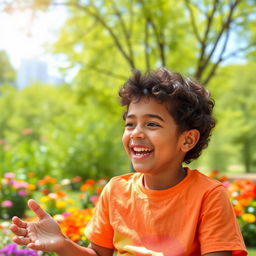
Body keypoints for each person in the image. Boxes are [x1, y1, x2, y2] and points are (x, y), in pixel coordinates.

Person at [10, 68, 247, 256]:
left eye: (152, 124)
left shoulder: (209, 196)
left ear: (187, 140)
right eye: (130, 124)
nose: (136, 133)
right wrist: (62, 244)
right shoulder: (116, 191)